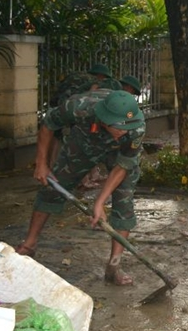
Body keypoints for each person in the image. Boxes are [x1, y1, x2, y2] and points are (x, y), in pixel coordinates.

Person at [16, 90, 146, 286]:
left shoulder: (135, 128)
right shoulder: (79, 107)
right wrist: (41, 163)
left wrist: (100, 201)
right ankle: (29, 244)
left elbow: (123, 166)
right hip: (83, 143)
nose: (125, 131)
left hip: (119, 154)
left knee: (124, 202)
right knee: (51, 189)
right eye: (120, 127)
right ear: (105, 119)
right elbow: (48, 123)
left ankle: (114, 266)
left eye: (129, 127)